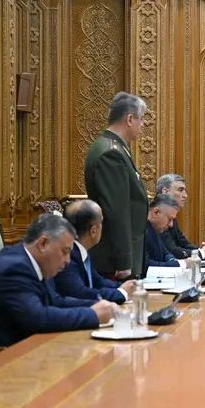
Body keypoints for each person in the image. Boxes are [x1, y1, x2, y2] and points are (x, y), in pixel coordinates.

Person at [0, 214, 116, 347]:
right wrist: (92, 315)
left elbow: (55, 301)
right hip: (1, 354)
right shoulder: (14, 267)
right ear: (43, 243)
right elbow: (37, 318)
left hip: (27, 346)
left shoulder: (33, 262)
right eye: (64, 252)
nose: (68, 260)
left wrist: (97, 305)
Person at [85, 92, 149, 279]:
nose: (143, 124)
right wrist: (124, 259)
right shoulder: (110, 153)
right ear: (129, 119)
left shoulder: (117, 148)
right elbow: (117, 211)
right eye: (141, 119)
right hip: (113, 261)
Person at [54, 200, 136, 304]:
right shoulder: (68, 255)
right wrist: (121, 293)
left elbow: (97, 281)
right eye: (101, 222)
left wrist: (126, 287)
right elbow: (79, 293)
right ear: (93, 231)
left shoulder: (80, 250)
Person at [156, 173, 205, 259]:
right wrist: (202, 252)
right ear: (166, 192)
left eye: (185, 191)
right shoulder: (158, 214)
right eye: (180, 190)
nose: (185, 195)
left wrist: (203, 249)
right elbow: (173, 251)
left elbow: (183, 243)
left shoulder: (170, 212)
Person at [145, 194, 183, 268]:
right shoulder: (140, 230)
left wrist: (172, 260)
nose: (171, 225)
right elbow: (146, 265)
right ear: (156, 212)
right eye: (169, 219)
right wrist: (181, 264)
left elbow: (166, 254)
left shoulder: (155, 228)